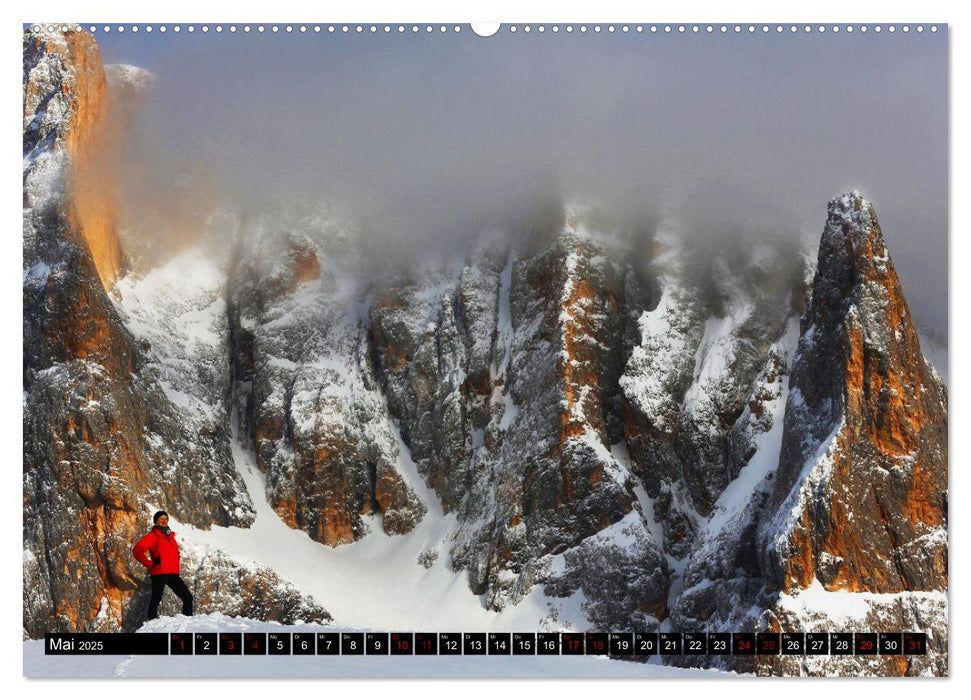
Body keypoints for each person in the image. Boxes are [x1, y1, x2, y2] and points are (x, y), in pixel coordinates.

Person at [132, 511, 193, 620]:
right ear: (156, 521)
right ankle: (151, 625)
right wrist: (149, 563)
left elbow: (174, 553)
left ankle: (187, 622)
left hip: (172, 573)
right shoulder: (153, 536)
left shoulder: (170, 537)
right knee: (156, 600)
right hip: (159, 573)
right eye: (161, 518)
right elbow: (137, 550)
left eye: (166, 518)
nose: (164, 520)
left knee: (187, 597)